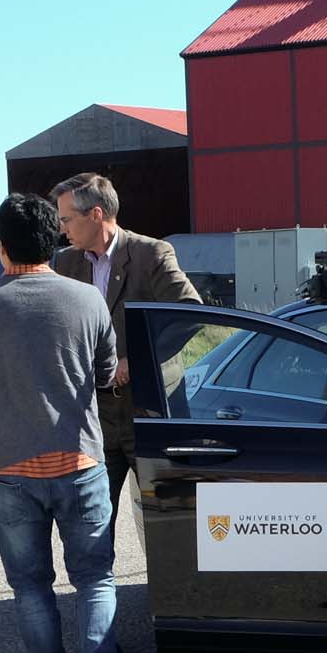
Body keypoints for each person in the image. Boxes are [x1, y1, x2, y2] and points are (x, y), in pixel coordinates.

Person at [0, 194, 129, 653]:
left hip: (11, 466)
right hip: (80, 459)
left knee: (31, 586)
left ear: (1, 247)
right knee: (95, 577)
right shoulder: (87, 299)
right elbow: (106, 372)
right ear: (54, 242)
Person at [50, 172, 201, 512]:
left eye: (67, 219)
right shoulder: (65, 262)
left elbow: (189, 313)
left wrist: (136, 361)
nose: (62, 228)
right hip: (94, 413)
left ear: (96, 214)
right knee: (91, 516)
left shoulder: (151, 253)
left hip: (149, 410)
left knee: (168, 516)